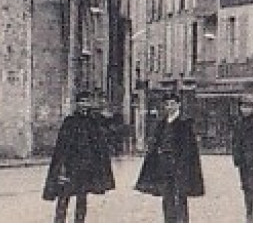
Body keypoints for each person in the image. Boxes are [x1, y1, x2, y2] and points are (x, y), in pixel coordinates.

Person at [42, 91, 118, 222]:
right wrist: (61, 166)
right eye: (81, 102)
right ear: (76, 104)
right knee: (63, 197)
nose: (84, 105)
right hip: (70, 166)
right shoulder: (69, 122)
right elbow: (62, 147)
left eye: (86, 102)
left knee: (82, 198)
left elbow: (99, 144)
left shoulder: (92, 122)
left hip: (85, 168)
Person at [134, 92, 204, 222]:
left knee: (180, 197)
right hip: (164, 167)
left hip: (180, 167)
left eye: (173, 104)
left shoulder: (185, 124)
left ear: (179, 105)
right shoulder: (161, 124)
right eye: (167, 104)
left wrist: (183, 165)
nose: (170, 107)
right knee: (167, 197)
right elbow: (155, 145)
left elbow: (189, 149)